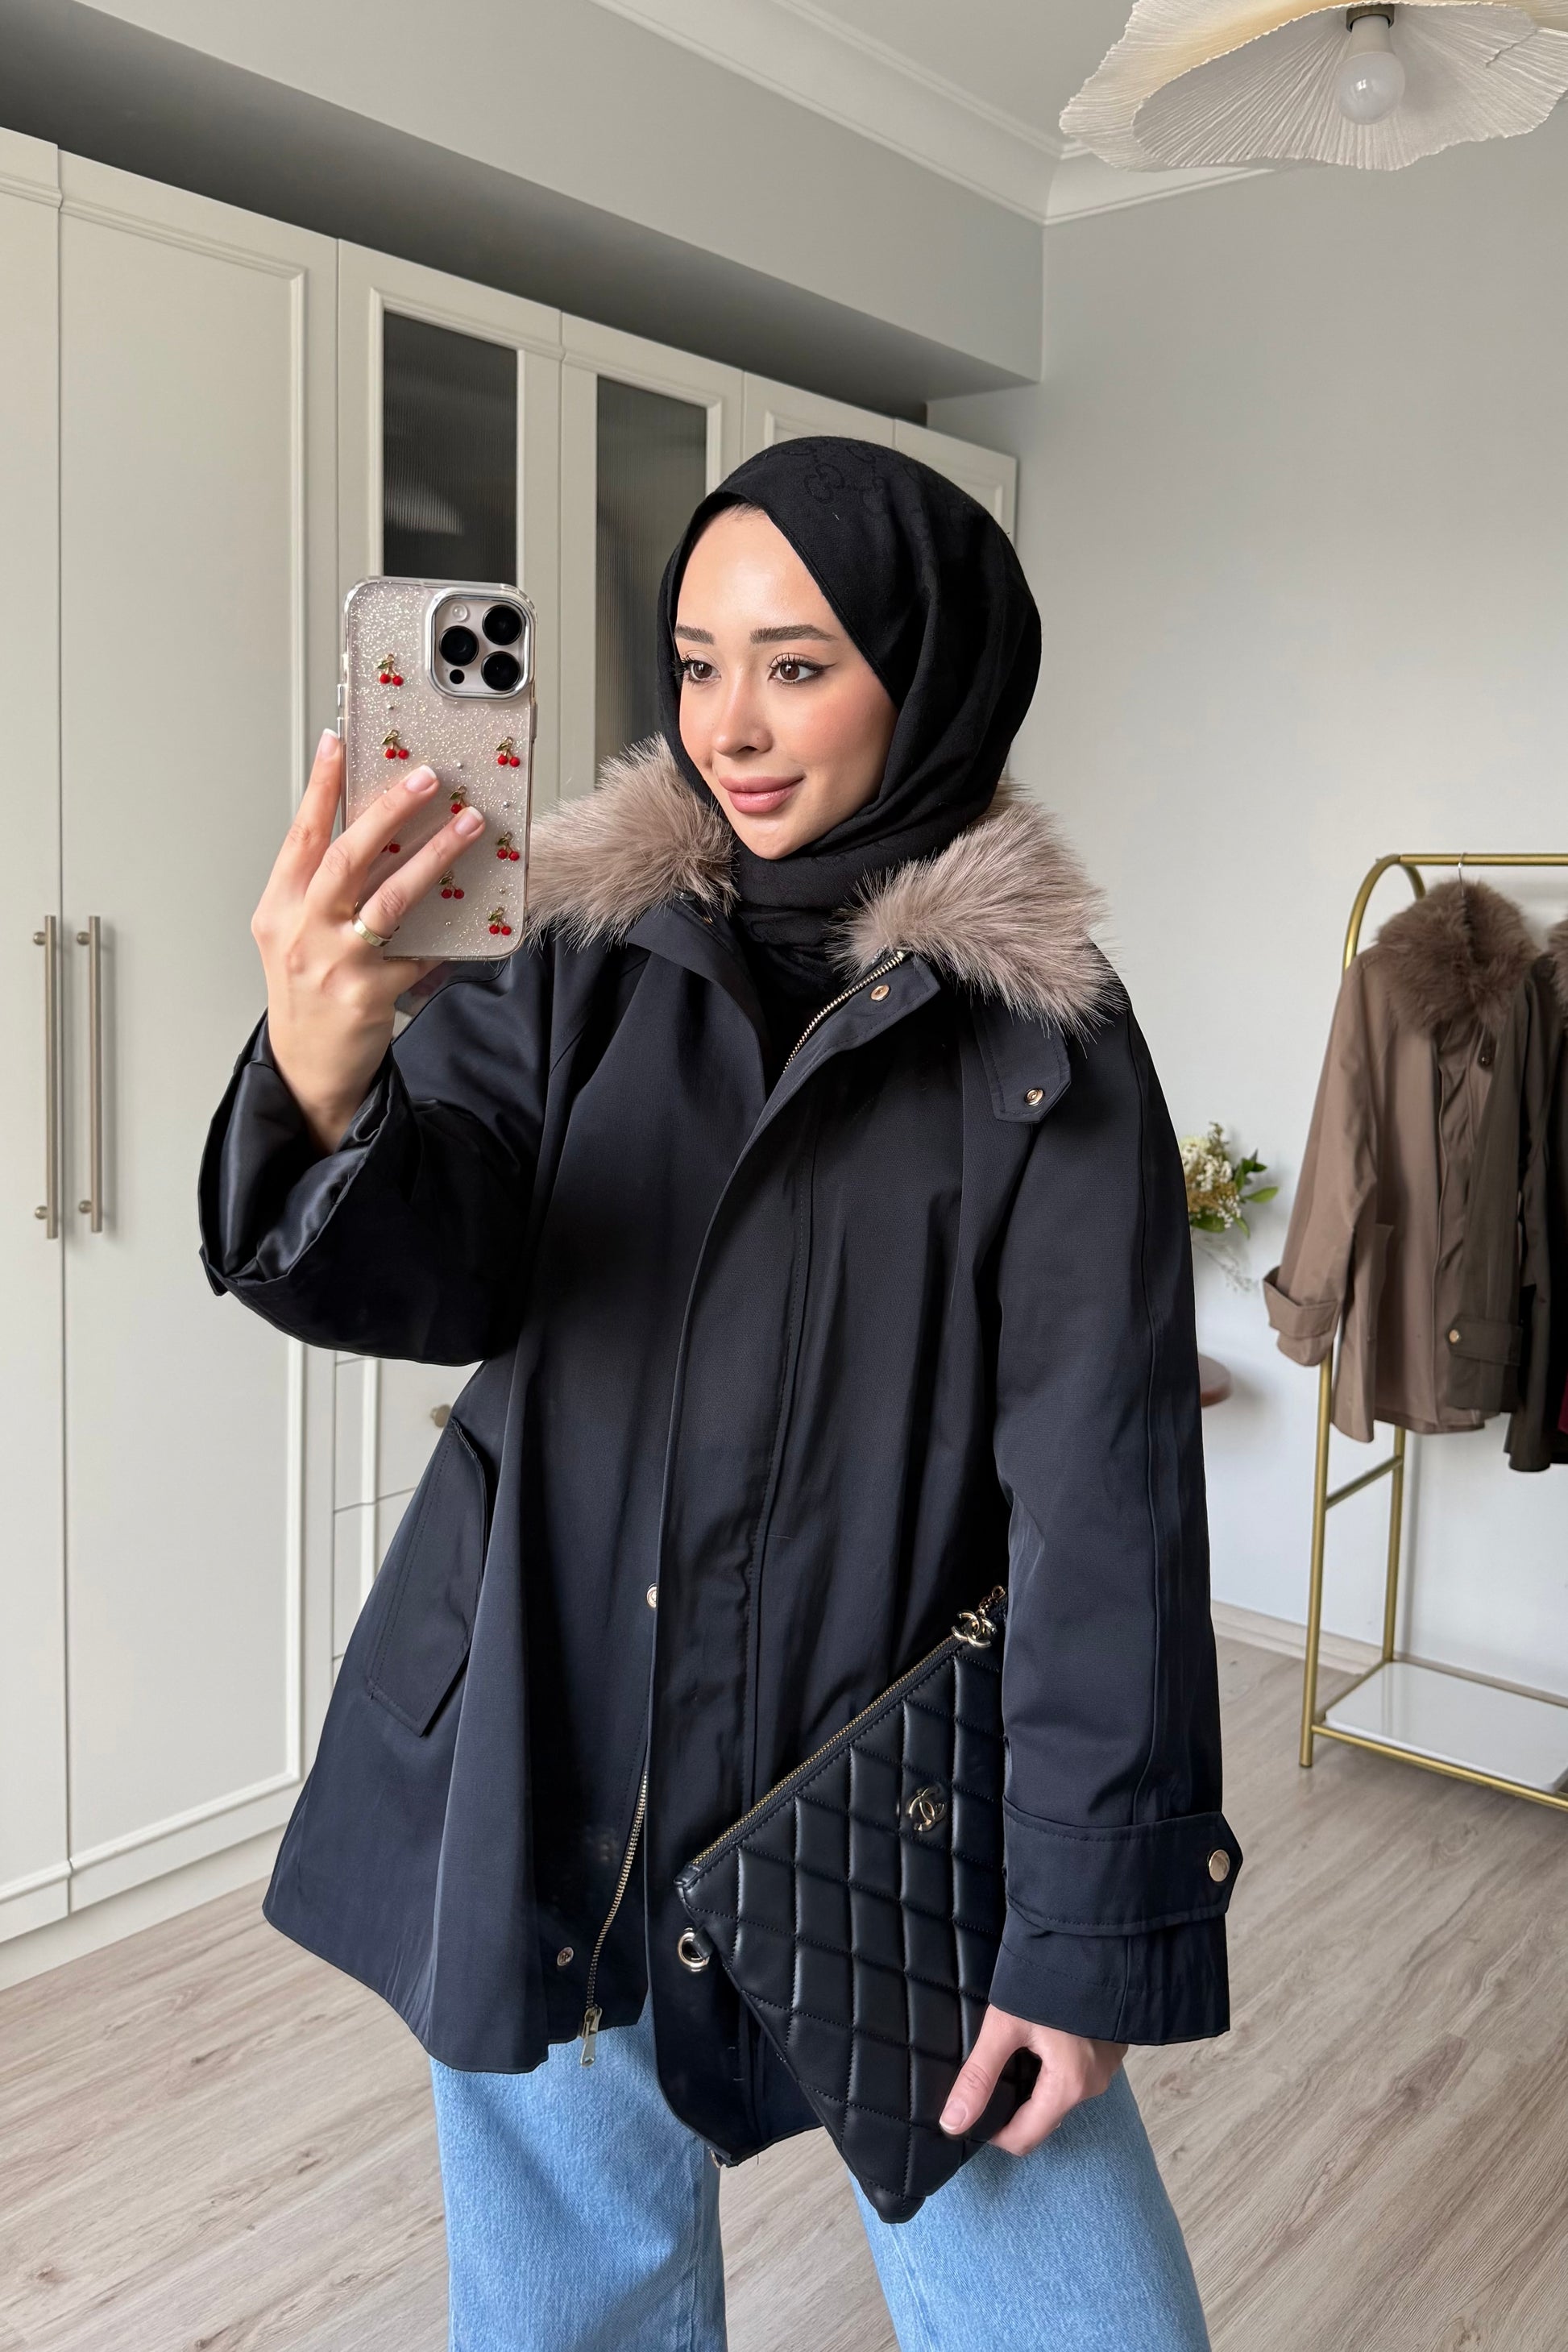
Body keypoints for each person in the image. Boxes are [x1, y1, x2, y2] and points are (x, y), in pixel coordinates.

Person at [198, 437, 1240, 2351]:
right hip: (549, 1764)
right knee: (567, 2318)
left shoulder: (1041, 1044)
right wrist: (326, 1074)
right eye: (694, 662)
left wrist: (1085, 1929)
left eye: (796, 663)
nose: (729, 727)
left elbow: (1104, 1512)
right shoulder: (576, 956)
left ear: (927, 672)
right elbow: (438, 1270)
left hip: (894, 1819)